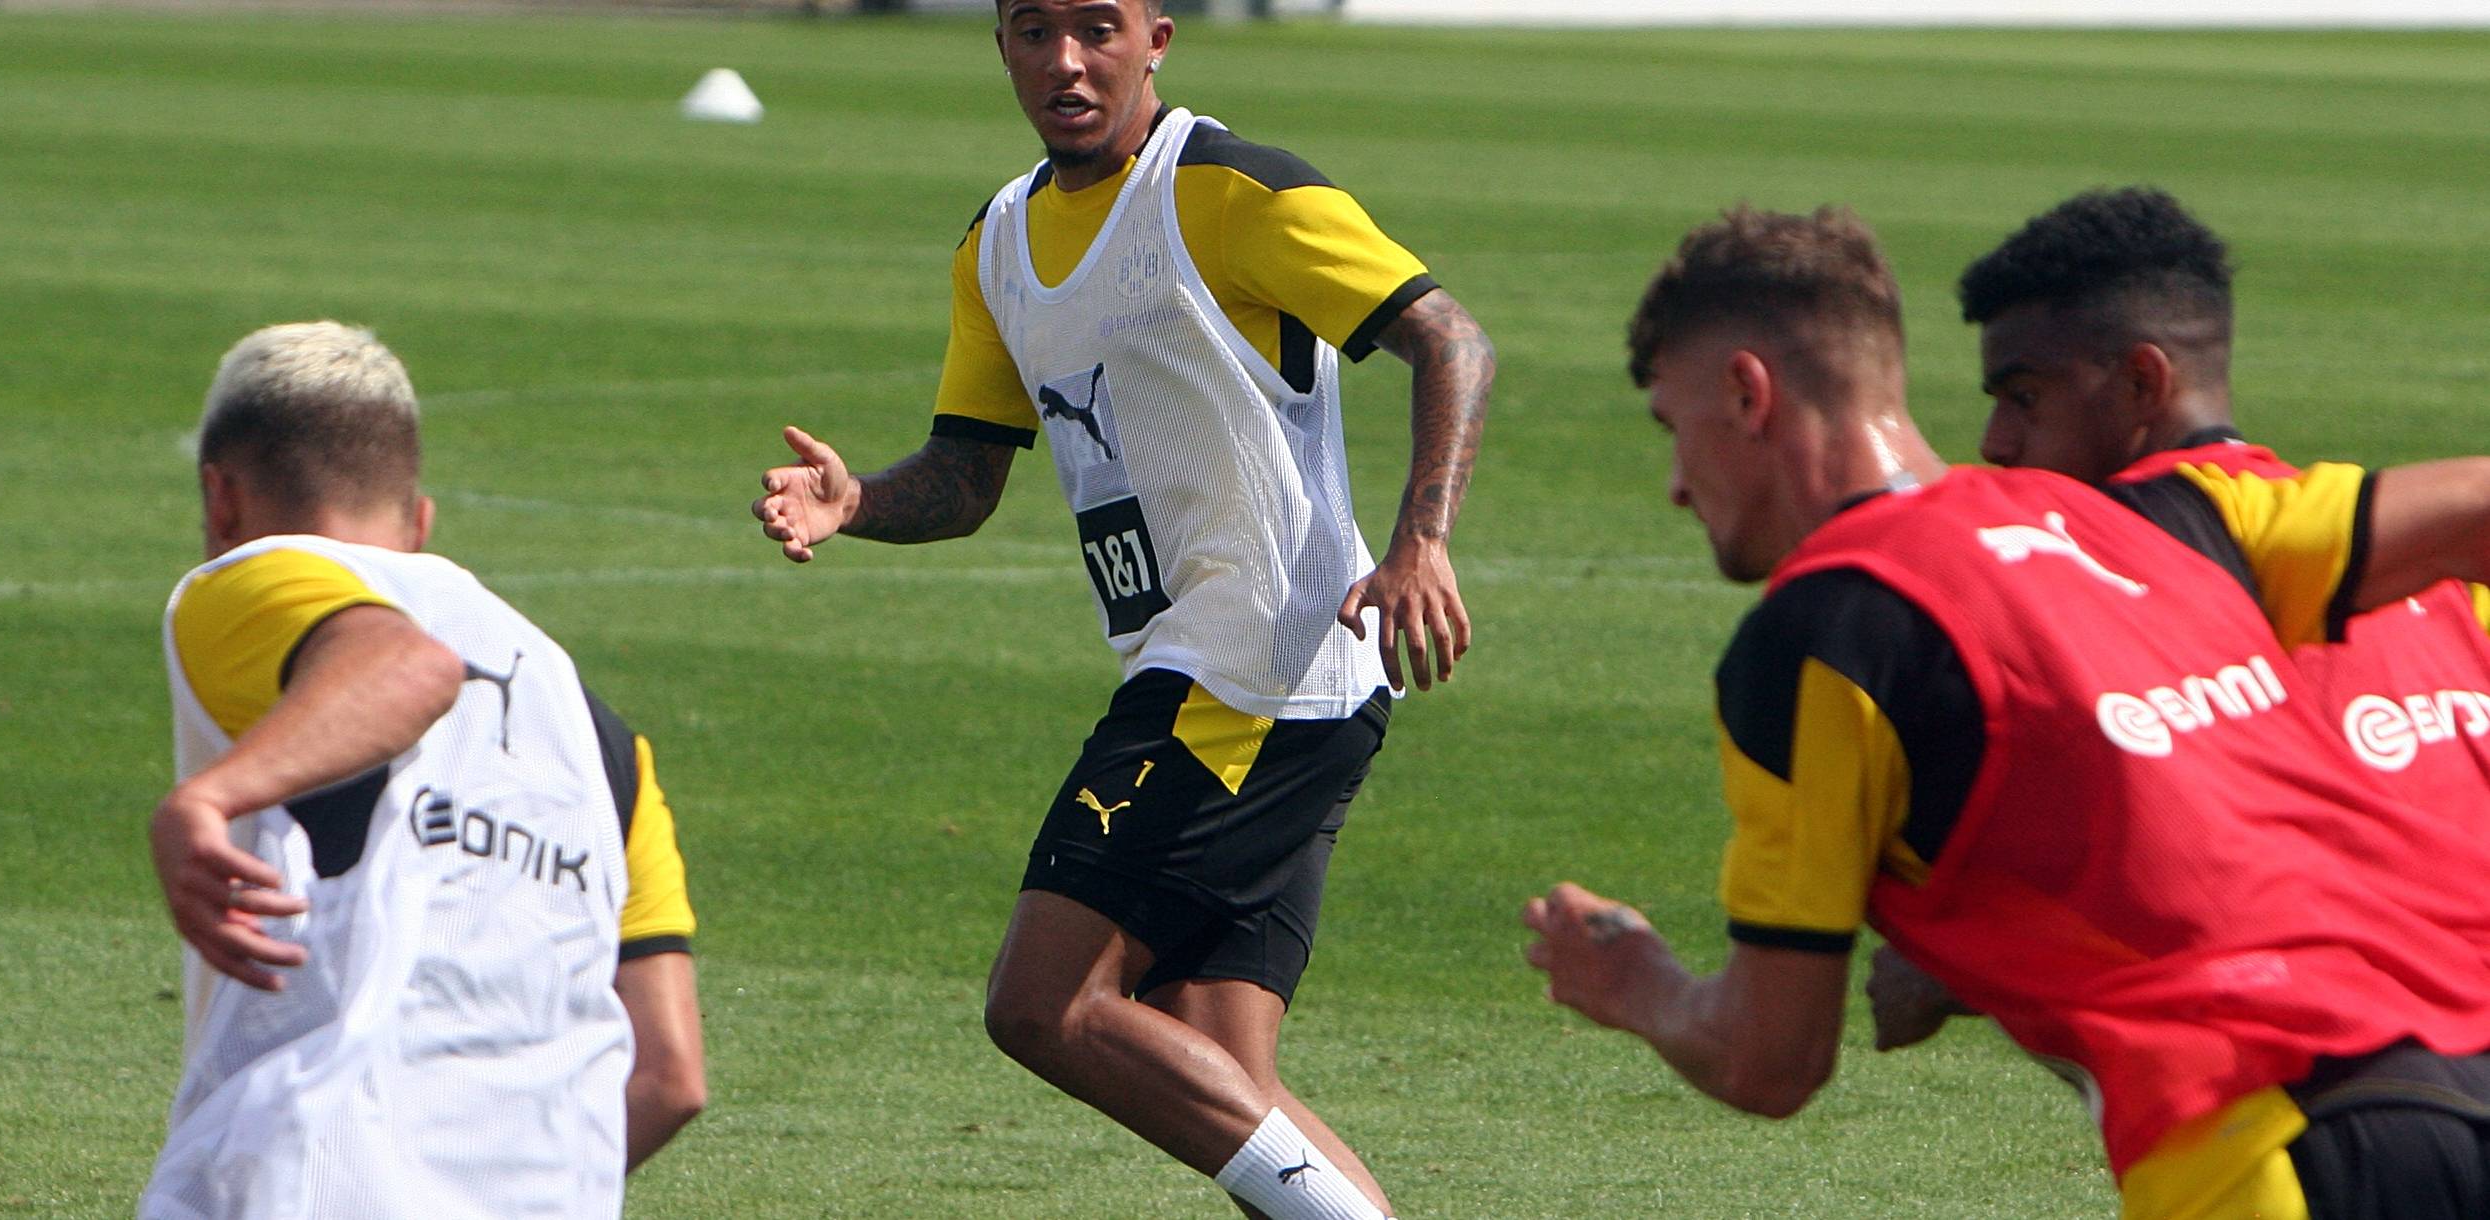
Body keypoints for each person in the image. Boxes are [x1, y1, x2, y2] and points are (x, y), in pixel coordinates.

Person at [1522, 206, 2490, 1220]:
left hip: (2284, 1153)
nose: (1678, 485)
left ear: (1745, 391)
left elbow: (1772, 1060)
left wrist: (1638, 986)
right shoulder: (2163, 516)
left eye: (1675, 430)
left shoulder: (1825, 631)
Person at [751, 2, 1491, 1215]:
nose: (1064, 61)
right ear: (998, 46)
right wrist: (856, 502)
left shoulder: (1229, 190)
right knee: (1222, 1074)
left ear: (1157, 38)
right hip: (1244, 675)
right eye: (1032, 29)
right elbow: (965, 475)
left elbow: (1450, 338)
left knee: (1043, 1002)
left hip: (1252, 668)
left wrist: (1422, 540)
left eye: (1096, 27)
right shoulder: (996, 243)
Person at [1870, 187, 2490, 1053]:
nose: (1997, 441)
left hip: (2357, 1115)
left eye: (2023, 397)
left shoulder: (2135, 591)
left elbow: (2219, 873)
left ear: (2140, 383)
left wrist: (1960, 958)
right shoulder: (2446, 577)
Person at [141, 322, 705, 1220]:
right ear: (421, 521)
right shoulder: (602, 736)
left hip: (304, 1174)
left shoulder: (255, 575)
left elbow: (410, 668)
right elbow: (670, 1075)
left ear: (221, 499)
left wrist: (207, 798)